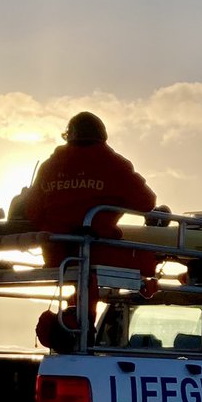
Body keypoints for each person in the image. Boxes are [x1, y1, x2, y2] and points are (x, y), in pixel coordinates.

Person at [21, 112, 166, 349]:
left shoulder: (48, 167)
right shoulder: (112, 164)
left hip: (56, 256)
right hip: (98, 252)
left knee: (84, 279)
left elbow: (32, 213)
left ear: (68, 135)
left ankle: (76, 320)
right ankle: (83, 324)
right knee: (149, 260)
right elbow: (147, 202)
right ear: (102, 137)